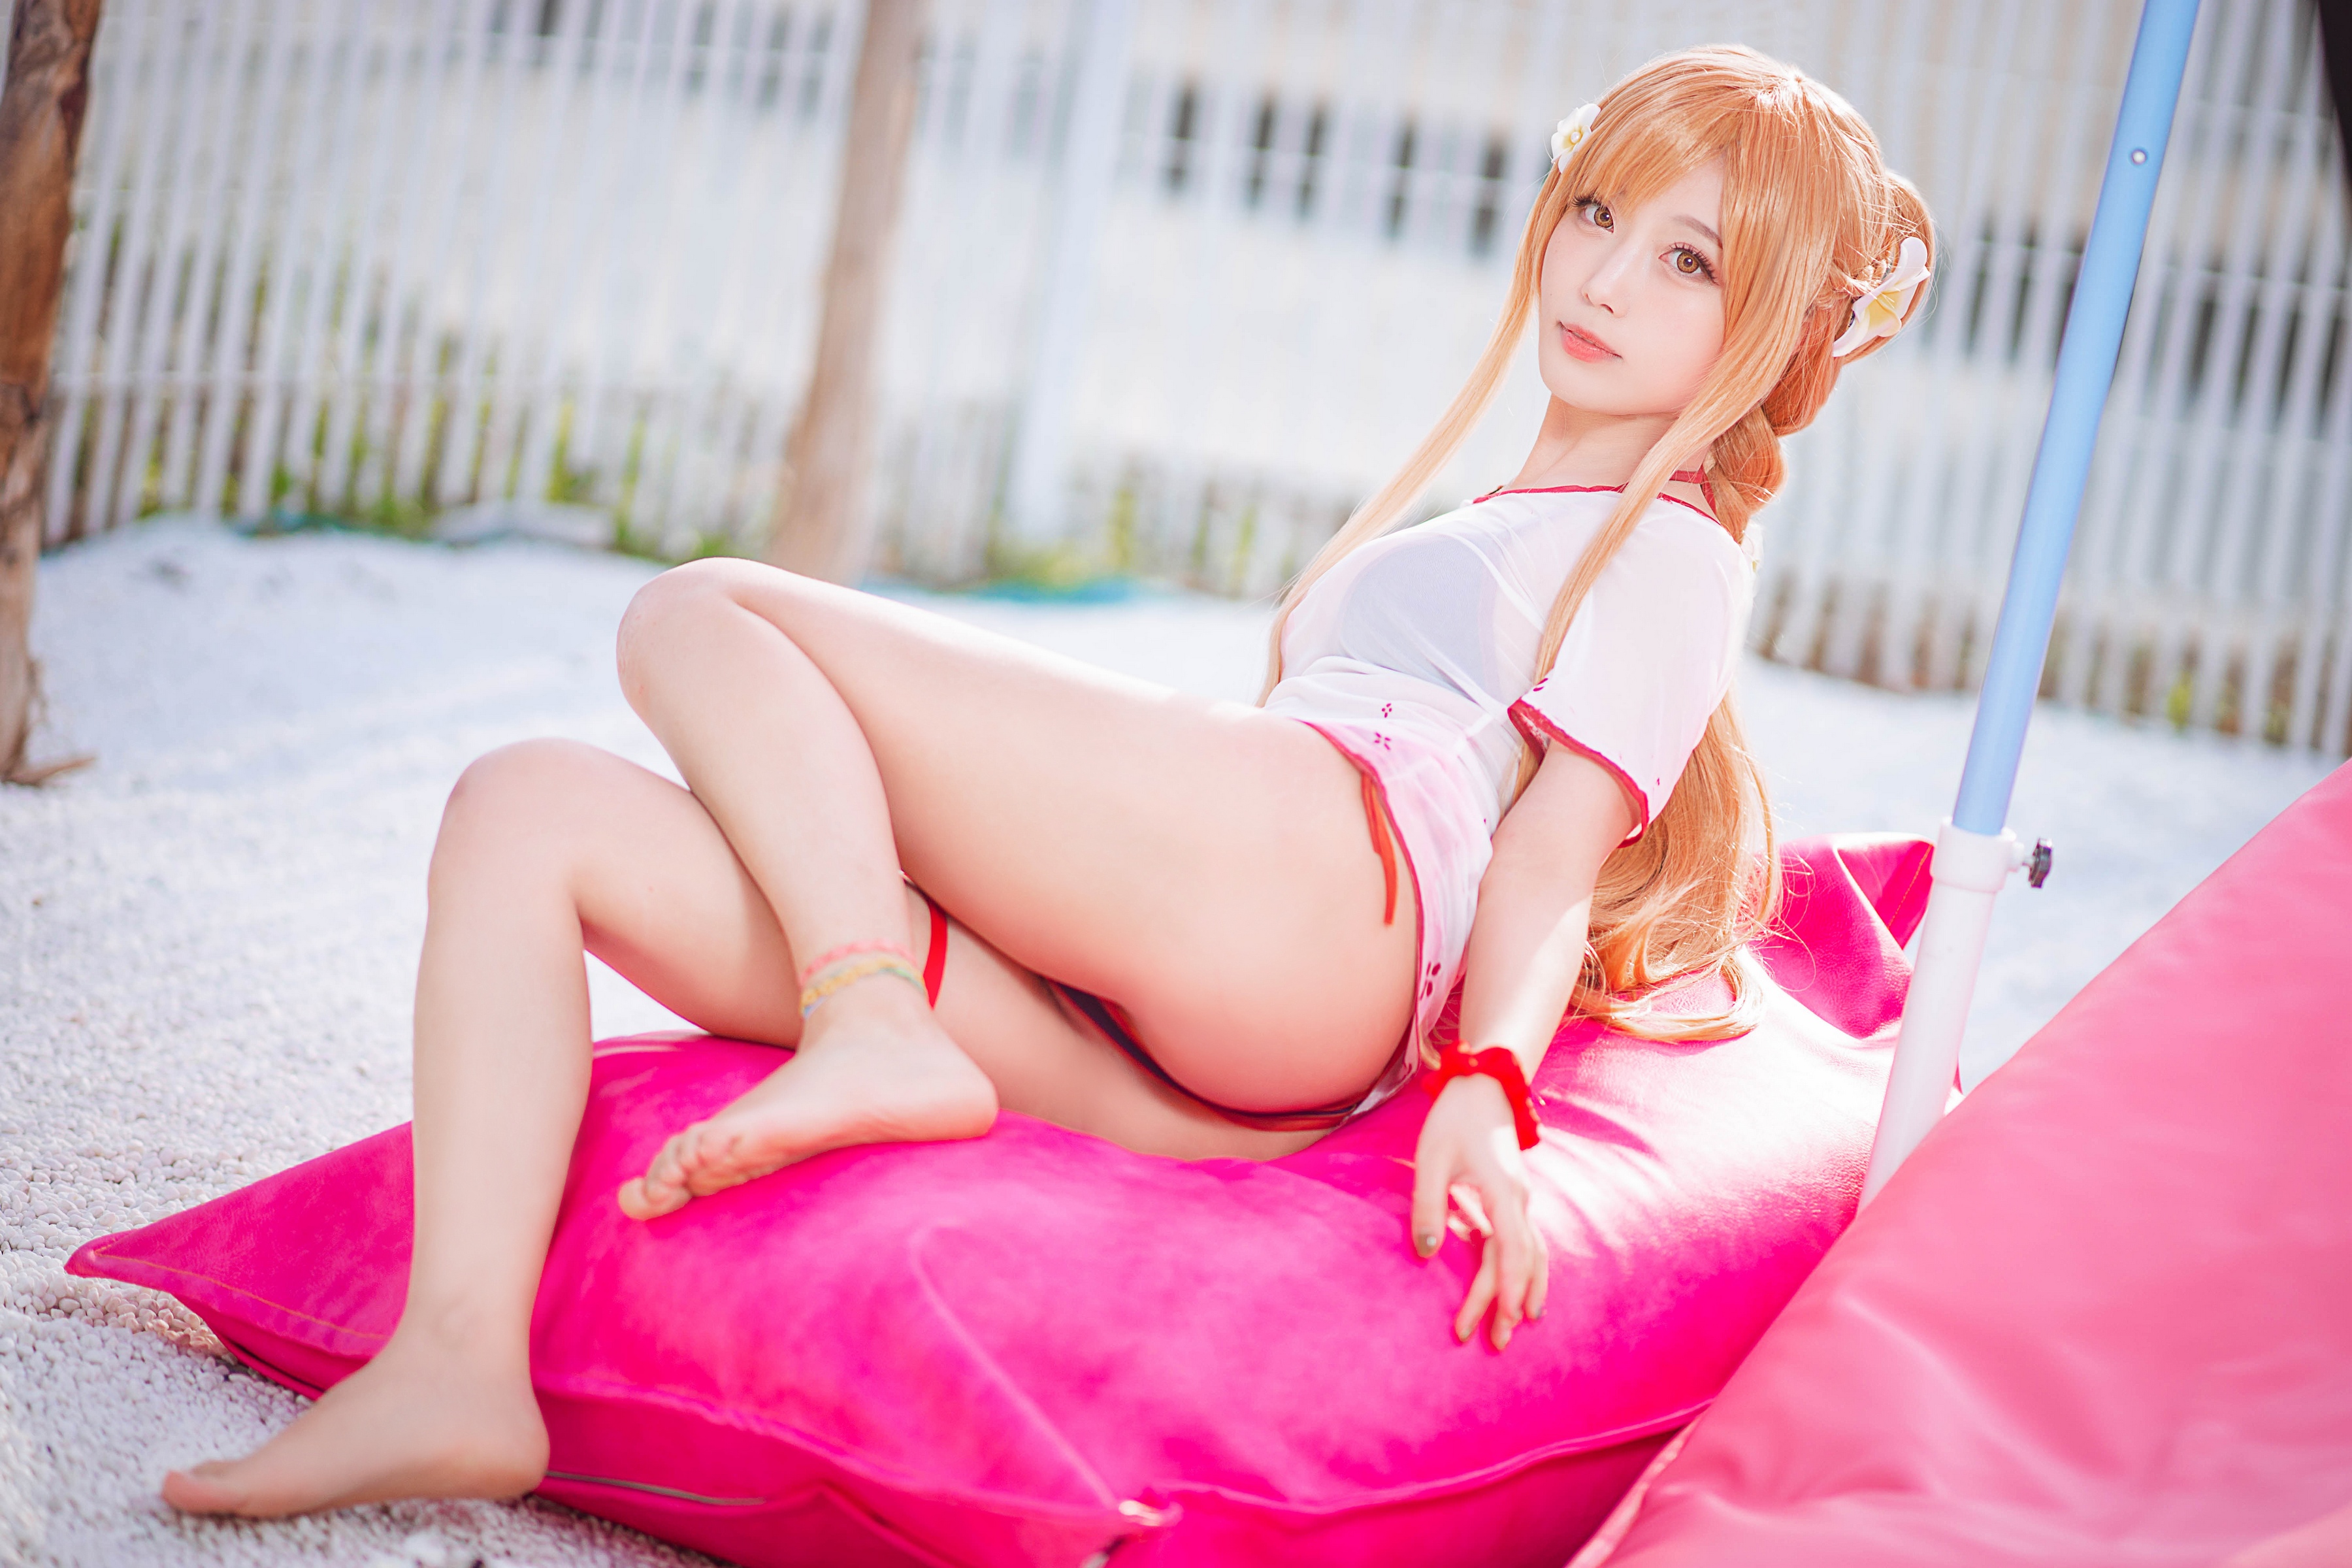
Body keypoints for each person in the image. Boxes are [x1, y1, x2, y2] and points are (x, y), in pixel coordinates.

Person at [161, 42, 1933, 1518]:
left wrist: (1489, 1083)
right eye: (1600, 213)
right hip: (1203, 1036)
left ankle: (868, 1015)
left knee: (702, 614)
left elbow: (1548, 858)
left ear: (1772, 330)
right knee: (528, 808)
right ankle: (458, 1365)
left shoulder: (1675, 552)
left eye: (1690, 262)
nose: (1605, 277)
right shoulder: (1524, 518)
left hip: (1325, 901)